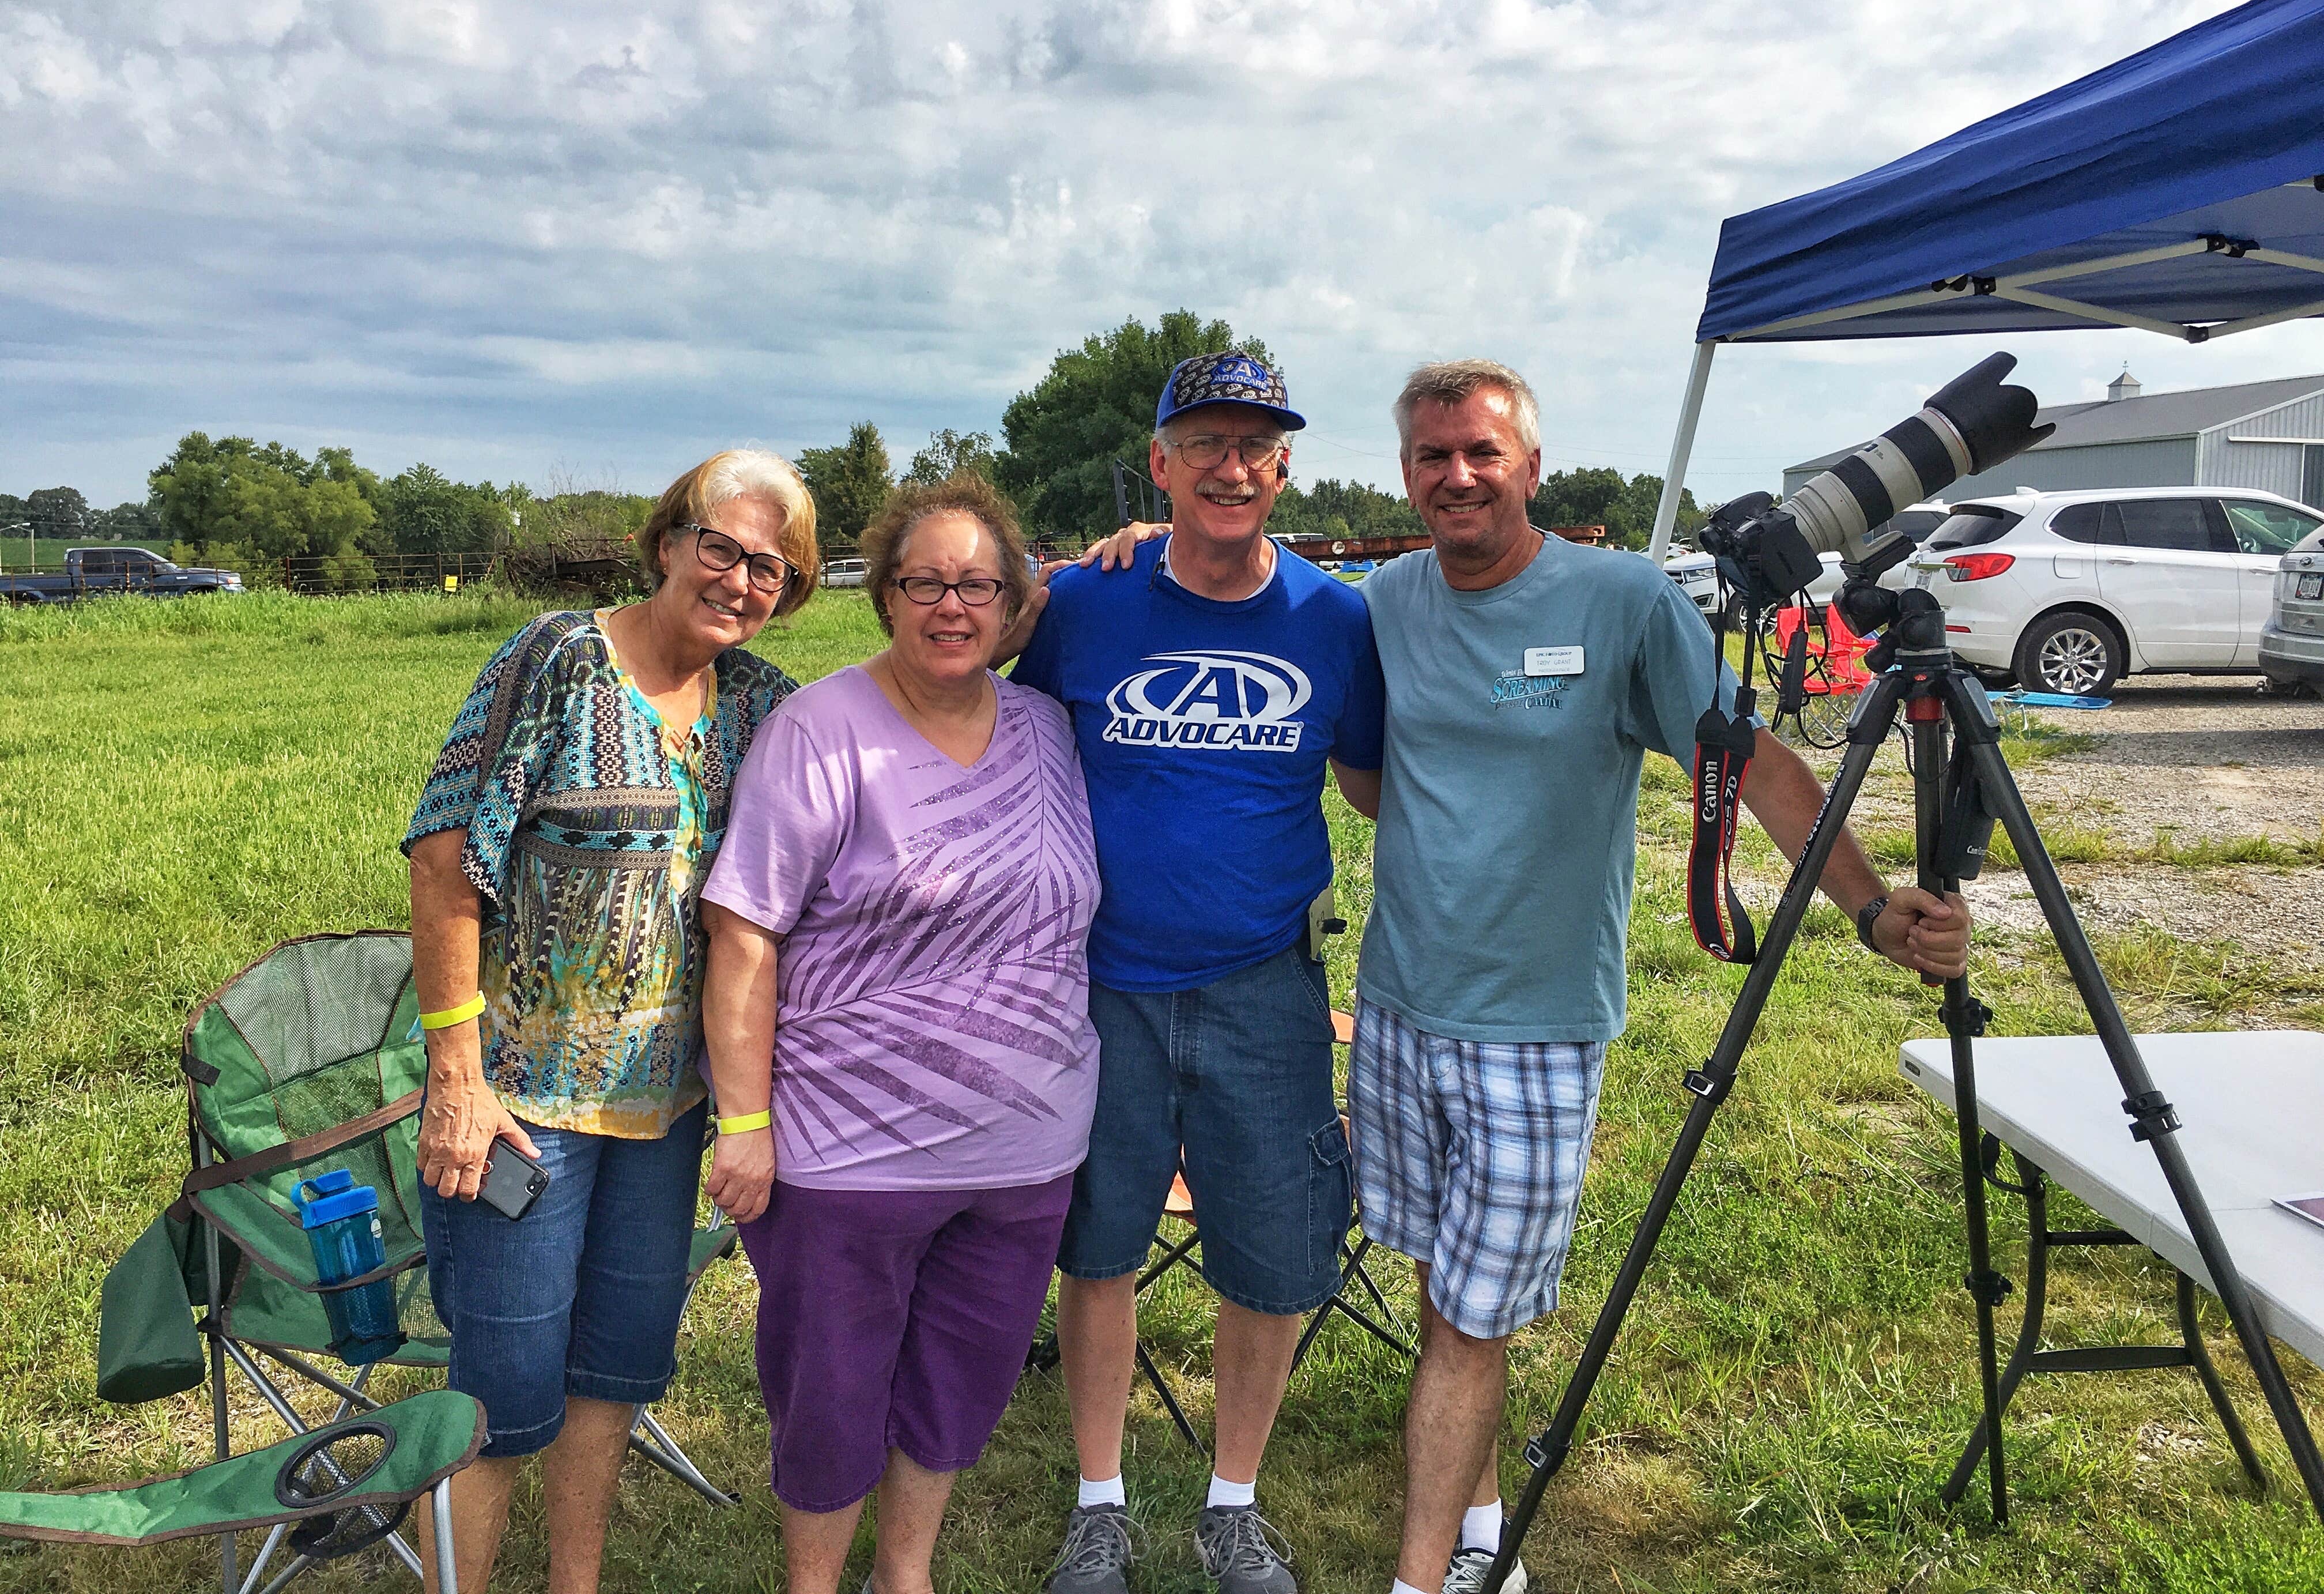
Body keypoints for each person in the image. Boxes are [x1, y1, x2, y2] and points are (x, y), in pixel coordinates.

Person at [1345, 361, 1971, 1594]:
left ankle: (1423, 1580)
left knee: (1476, 1320)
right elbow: (1361, 768)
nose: (1457, 475)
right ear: (1406, 475)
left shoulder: (1624, 599)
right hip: (1399, 1006)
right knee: (1442, 1288)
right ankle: (1481, 1525)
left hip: (1536, 1025)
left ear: (1530, 465)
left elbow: (1759, 763)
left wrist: (1864, 906)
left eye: (1482, 451)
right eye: (1433, 456)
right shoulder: (1385, 601)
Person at [403, 450, 818, 1594]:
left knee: (613, 1377)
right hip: (521, 1111)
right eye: (721, 548)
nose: (738, 580)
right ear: (669, 542)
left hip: (671, 1112)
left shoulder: (764, 706)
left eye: (769, 568)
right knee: (498, 1398)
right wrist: (457, 1079)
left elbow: (925, 682)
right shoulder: (557, 662)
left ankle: (573, 1584)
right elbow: (444, 865)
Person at [1011, 351, 1387, 1594]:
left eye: (1257, 446)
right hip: (1099, 984)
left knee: (1275, 1257)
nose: (1232, 466)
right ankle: (1101, 1504)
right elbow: (992, 731)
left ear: (1284, 468)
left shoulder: (1337, 622)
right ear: (1162, 464)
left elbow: (1376, 786)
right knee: (1100, 1246)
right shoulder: (1084, 605)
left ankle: (1234, 1502)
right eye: (1205, 444)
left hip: (1265, 986)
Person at [697, 475, 1103, 1594]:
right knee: (830, 1394)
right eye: (924, 582)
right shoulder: (821, 731)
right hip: (847, 1151)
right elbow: (743, 937)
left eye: (978, 584)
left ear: (1015, 602)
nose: (951, 607)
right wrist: (745, 1123)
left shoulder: (1051, 733)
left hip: (1025, 1152)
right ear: (884, 596)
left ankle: (906, 1574)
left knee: (958, 1386)